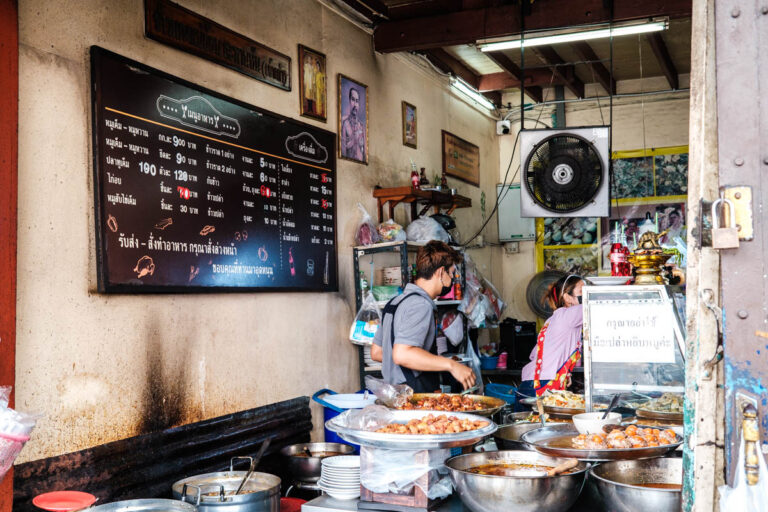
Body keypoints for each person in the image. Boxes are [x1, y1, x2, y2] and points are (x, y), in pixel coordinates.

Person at [371, 241, 476, 392]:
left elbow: (377, 352)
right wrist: (451, 365)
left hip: (393, 394)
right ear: (440, 272)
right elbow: (401, 354)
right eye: (452, 273)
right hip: (412, 396)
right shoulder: (420, 305)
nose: (453, 279)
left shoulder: (393, 303)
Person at [519, 274, 584, 398]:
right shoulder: (569, 315)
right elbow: (597, 306)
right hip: (542, 384)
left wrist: (564, 373)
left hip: (530, 383)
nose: (587, 295)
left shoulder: (552, 319)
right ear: (567, 297)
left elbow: (535, 354)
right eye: (582, 291)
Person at [341, 87, 365, 161]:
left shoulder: (362, 126)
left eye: (357, 101)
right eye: (353, 100)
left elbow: (365, 154)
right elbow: (343, 152)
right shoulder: (345, 123)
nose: (355, 104)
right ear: (349, 101)